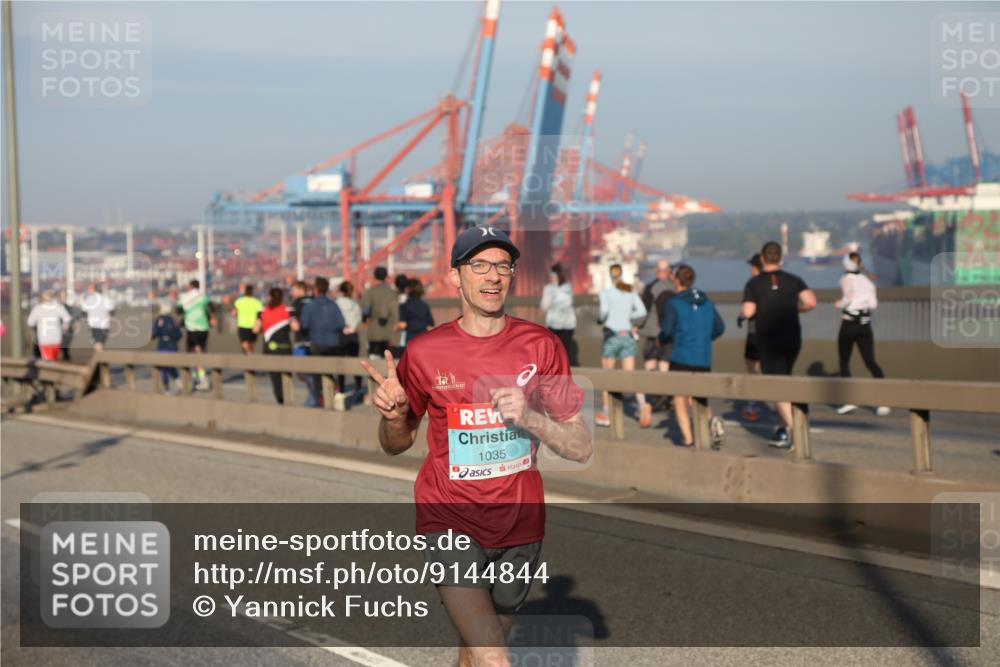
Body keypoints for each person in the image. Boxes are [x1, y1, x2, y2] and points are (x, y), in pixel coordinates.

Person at [359, 225, 591, 667]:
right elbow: (397, 443)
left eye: (503, 266)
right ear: (455, 276)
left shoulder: (541, 345)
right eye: (479, 265)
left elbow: (579, 446)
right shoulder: (426, 352)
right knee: (494, 658)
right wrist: (391, 417)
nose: (493, 276)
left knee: (477, 650)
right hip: (449, 518)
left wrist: (530, 416)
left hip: (520, 524)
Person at [741, 241, 817, 449]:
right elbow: (811, 301)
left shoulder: (754, 284)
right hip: (792, 339)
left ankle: (796, 432)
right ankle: (782, 429)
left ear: (763, 259)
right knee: (784, 380)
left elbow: (748, 312)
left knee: (775, 386)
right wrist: (796, 309)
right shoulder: (793, 280)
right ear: (781, 258)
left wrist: (747, 312)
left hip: (769, 340)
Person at [658, 265, 726, 448]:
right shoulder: (707, 302)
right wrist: (704, 338)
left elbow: (666, 331)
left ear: (676, 281)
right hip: (703, 358)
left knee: (680, 399)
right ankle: (712, 422)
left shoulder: (674, 304)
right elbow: (720, 328)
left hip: (681, 357)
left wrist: (661, 340)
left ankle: (688, 439)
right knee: (699, 398)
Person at [834, 252, 890, 416]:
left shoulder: (845, 279)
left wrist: (839, 303)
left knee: (844, 362)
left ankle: (849, 400)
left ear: (846, 265)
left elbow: (848, 298)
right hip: (865, 325)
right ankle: (884, 402)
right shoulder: (868, 282)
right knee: (870, 361)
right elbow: (873, 305)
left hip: (849, 324)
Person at [596, 264, 647, 428]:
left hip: (612, 335)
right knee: (630, 375)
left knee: (607, 376)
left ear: (610, 276)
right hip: (627, 335)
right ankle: (642, 404)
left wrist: (602, 318)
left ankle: (606, 413)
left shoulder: (606, 293)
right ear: (622, 274)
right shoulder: (630, 291)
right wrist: (628, 316)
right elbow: (642, 311)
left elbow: (603, 312)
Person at [294, 276, 346, 408]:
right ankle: (333, 395)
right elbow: (341, 323)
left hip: (317, 343)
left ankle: (316, 400)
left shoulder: (310, 306)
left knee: (315, 373)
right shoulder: (333, 305)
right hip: (333, 343)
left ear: (315, 289)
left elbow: (303, 325)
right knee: (329, 371)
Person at [636, 259, 676, 426]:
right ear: (669, 271)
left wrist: (636, 325)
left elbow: (643, 310)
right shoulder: (675, 287)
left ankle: (652, 399)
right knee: (665, 366)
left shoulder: (651, 287)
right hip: (670, 334)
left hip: (653, 334)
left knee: (650, 367)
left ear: (655, 271)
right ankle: (668, 398)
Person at [254, 287, 293, 405]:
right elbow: (295, 327)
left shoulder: (263, 312)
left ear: (269, 297)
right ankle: (288, 400)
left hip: (270, 349)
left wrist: (265, 328)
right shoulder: (287, 310)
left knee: (275, 379)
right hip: (285, 347)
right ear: (281, 297)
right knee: (287, 375)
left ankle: (281, 400)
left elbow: (255, 329)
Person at [179, 279, 217, 391]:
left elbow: (178, 309)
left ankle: (201, 378)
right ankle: (198, 377)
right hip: (204, 328)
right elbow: (211, 308)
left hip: (192, 328)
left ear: (190, 286)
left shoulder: (185, 297)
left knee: (194, 353)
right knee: (200, 352)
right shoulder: (203, 296)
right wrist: (213, 318)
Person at [738, 254, 763, 422]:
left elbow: (748, 311)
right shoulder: (777, 282)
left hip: (755, 334)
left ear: (756, 267)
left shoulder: (753, 284)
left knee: (753, 369)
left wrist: (742, 316)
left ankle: (753, 403)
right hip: (776, 334)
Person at [539, 263, 577, 365]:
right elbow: (569, 302)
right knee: (565, 351)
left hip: (554, 323)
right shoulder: (568, 286)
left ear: (552, 274)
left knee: (553, 351)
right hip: (569, 324)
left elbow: (544, 305)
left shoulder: (549, 288)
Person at [360, 266, 398, 361]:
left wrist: (364, 321)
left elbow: (365, 311)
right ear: (386, 277)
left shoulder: (369, 293)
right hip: (390, 333)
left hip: (374, 331)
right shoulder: (393, 293)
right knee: (388, 360)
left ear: (374, 276)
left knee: (374, 359)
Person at [335, 280, 365, 400]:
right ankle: (358, 386)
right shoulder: (355, 304)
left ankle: (341, 388)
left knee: (340, 363)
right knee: (354, 362)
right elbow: (359, 319)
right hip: (353, 334)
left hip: (341, 334)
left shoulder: (336, 303)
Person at [26, 291, 72, 361]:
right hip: (56, 338)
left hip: (44, 339)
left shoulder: (38, 309)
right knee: (55, 359)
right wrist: (64, 327)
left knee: (47, 361)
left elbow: (30, 322)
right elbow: (67, 318)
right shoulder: (58, 307)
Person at [151, 303, 182, 393]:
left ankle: (167, 388)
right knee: (171, 366)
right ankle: (179, 383)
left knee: (163, 367)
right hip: (173, 345)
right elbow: (179, 334)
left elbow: (155, 333)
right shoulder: (173, 320)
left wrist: (152, 337)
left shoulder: (159, 320)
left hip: (163, 345)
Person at [397, 278, 435, 351]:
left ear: (408, 290)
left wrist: (395, 328)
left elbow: (403, 324)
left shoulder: (404, 306)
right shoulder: (424, 306)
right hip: (423, 339)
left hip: (410, 339)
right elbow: (430, 326)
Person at [80, 284, 115, 351]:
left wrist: (86, 320)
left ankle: (99, 358)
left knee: (97, 343)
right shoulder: (105, 298)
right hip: (104, 325)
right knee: (100, 343)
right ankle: (100, 358)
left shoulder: (89, 299)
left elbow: (83, 312)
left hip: (93, 325)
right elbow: (112, 311)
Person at [232, 283, 263, 355]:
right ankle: (250, 358)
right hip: (253, 326)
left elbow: (233, 313)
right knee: (250, 345)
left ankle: (249, 357)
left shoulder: (239, 301)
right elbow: (260, 315)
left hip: (243, 326)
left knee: (244, 344)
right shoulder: (257, 302)